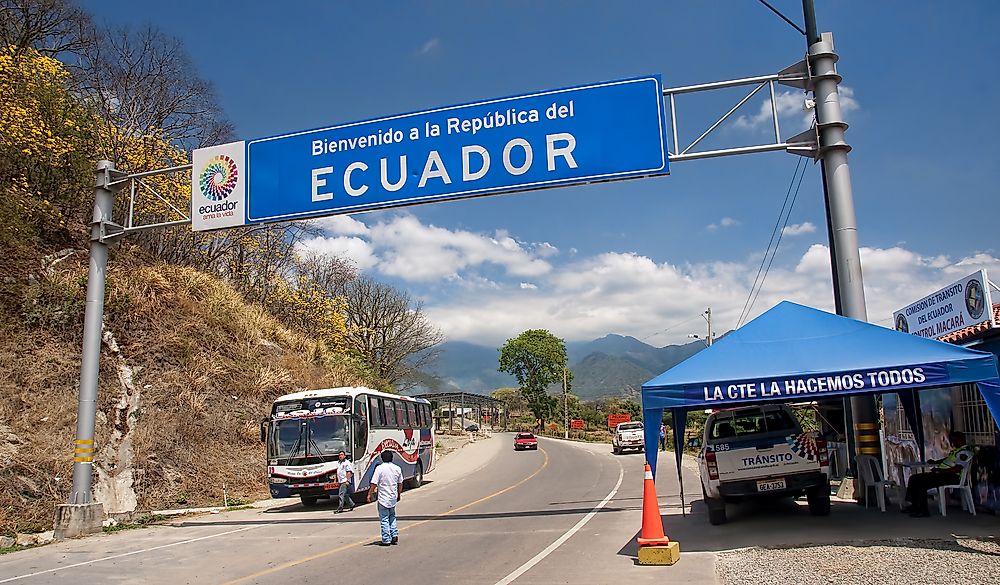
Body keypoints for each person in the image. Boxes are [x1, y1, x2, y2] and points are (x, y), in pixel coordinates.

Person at [902, 431, 974, 517]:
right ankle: (914, 505)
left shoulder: (964, 452)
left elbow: (957, 468)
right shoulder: (958, 451)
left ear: (961, 440)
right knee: (913, 478)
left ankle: (923, 510)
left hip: (951, 476)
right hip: (943, 474)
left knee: (921, 483)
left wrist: (940, 471)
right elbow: (948, 460)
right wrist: (936, 462)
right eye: (952, 441)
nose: (953, 443)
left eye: (955, 441)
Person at [368, 451, 404, 545]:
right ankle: (394, 534)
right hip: (392, 497)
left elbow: (374, 483)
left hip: (383, 498)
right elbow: (400, 483)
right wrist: (398, 494)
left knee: (384, 518)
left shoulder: (379, 469)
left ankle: (386, 539)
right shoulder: (397, 468)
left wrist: (369, 494)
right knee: (392, 517)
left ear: (382, 458)